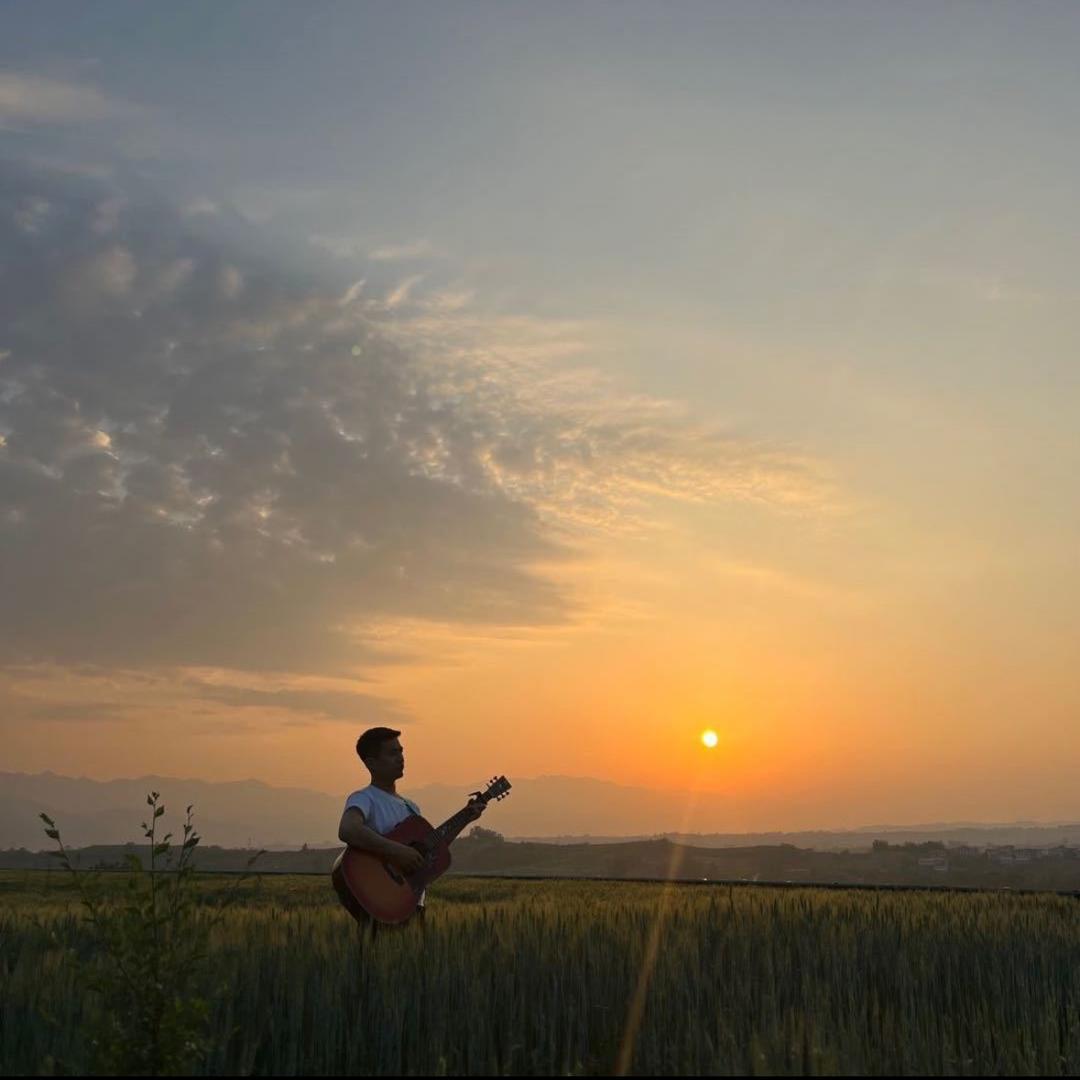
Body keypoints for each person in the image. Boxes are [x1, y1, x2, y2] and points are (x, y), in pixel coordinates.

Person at [335, 726, 484, 931]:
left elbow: (430, 849)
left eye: (401, 751)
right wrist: (397, 851)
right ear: (371, 763)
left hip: (413, 905)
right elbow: (348, 830)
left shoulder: (410, 807)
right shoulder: (364, 798)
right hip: (383, 902)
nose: (400, 757)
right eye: (392, 753)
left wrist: (466, 817)